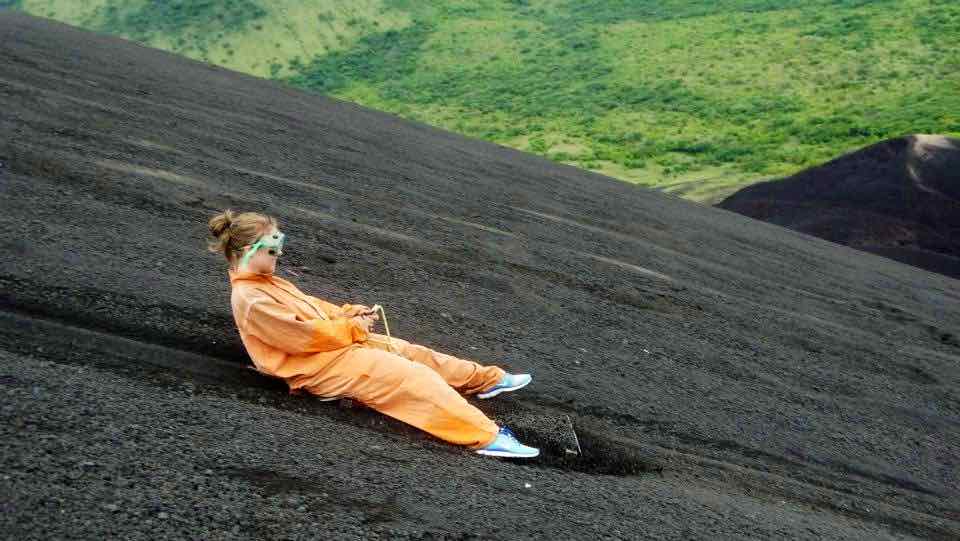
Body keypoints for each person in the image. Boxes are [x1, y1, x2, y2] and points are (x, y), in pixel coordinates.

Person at [207, 209, 539, 458]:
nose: (279, 254)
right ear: (249, 249)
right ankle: (486, 437)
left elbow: (313, 307)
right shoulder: (251, 298)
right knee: (410, 376)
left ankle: (485, 381)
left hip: (333, 350)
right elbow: (303, 337)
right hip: (315, 366)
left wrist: (349, 313)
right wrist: (352, 327)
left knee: (411, 352)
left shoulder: (267, 282)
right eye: (272, 249)